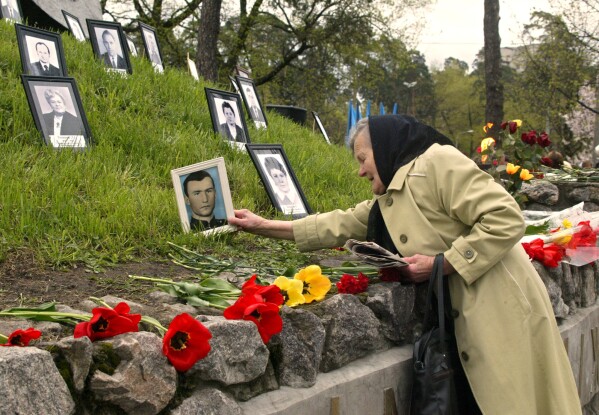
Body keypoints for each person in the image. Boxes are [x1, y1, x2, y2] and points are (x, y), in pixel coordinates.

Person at [228, 114, 582, 415]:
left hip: (502, 314)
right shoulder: (394, 195)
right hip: (471, 326)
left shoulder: (437, 163)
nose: (360, 170)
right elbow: (336, 224)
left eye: (363, 157)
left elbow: (506, 217)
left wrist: (442, 264)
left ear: (384, 147)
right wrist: (263, 226)